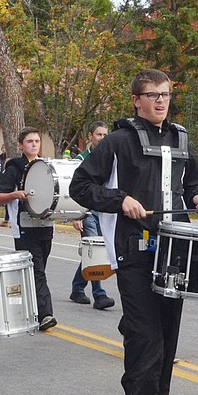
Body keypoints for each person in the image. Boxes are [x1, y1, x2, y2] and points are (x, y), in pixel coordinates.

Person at [70, 69, 198, 395]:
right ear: (136, 100)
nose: (161, 101)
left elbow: (193, 182)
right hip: (135, 249)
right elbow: (80, 185)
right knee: (144, 334)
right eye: (152, 95)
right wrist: (121, 200)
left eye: (166, 94)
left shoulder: (182, 138)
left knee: (167, 335)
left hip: (176, 249)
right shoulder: (118, 140)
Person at [0, 127, 57, 331]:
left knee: (37, 271)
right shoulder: (14, 167)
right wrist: (15, 194)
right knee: (37, 270)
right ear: (21, 145)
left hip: (45, 226)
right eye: (29, 141)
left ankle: (27, 309)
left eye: (37, 141)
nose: (34, 145)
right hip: (24, 227)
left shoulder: (46, 167)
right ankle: (46, 315)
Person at [69, 121, 112, 309]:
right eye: (98, 135)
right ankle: (99, 295)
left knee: (96, 252)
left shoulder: (110, 158)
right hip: (87, 211)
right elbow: (73, 190)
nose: (102, 138)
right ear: (90, 136)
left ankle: (78, 287)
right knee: (94, 250)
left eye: (105, 135)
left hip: (104, 210)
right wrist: (77, 216)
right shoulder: (81, 160)